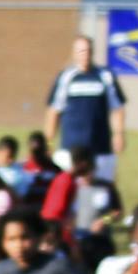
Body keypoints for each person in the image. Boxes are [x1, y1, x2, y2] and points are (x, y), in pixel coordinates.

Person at [44, 36, 125, 180]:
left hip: (100, 148)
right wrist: (48, 142)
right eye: (80, 51)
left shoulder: (105, 75)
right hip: (70, 149)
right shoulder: (66, 77)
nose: (84, 55)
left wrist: (118, 134)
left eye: (87, 51)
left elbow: (117, 108)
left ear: (92, 52)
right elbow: (54, 111)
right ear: (74, 53)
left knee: (103, 188)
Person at [40, 146, 121, 274]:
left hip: (99, 241)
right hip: (75, 242)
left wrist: (104, 220)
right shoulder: (69, 183)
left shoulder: (106, 187)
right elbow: (56, 215)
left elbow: (117, 212)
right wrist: (70, 242)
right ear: (84, 164)